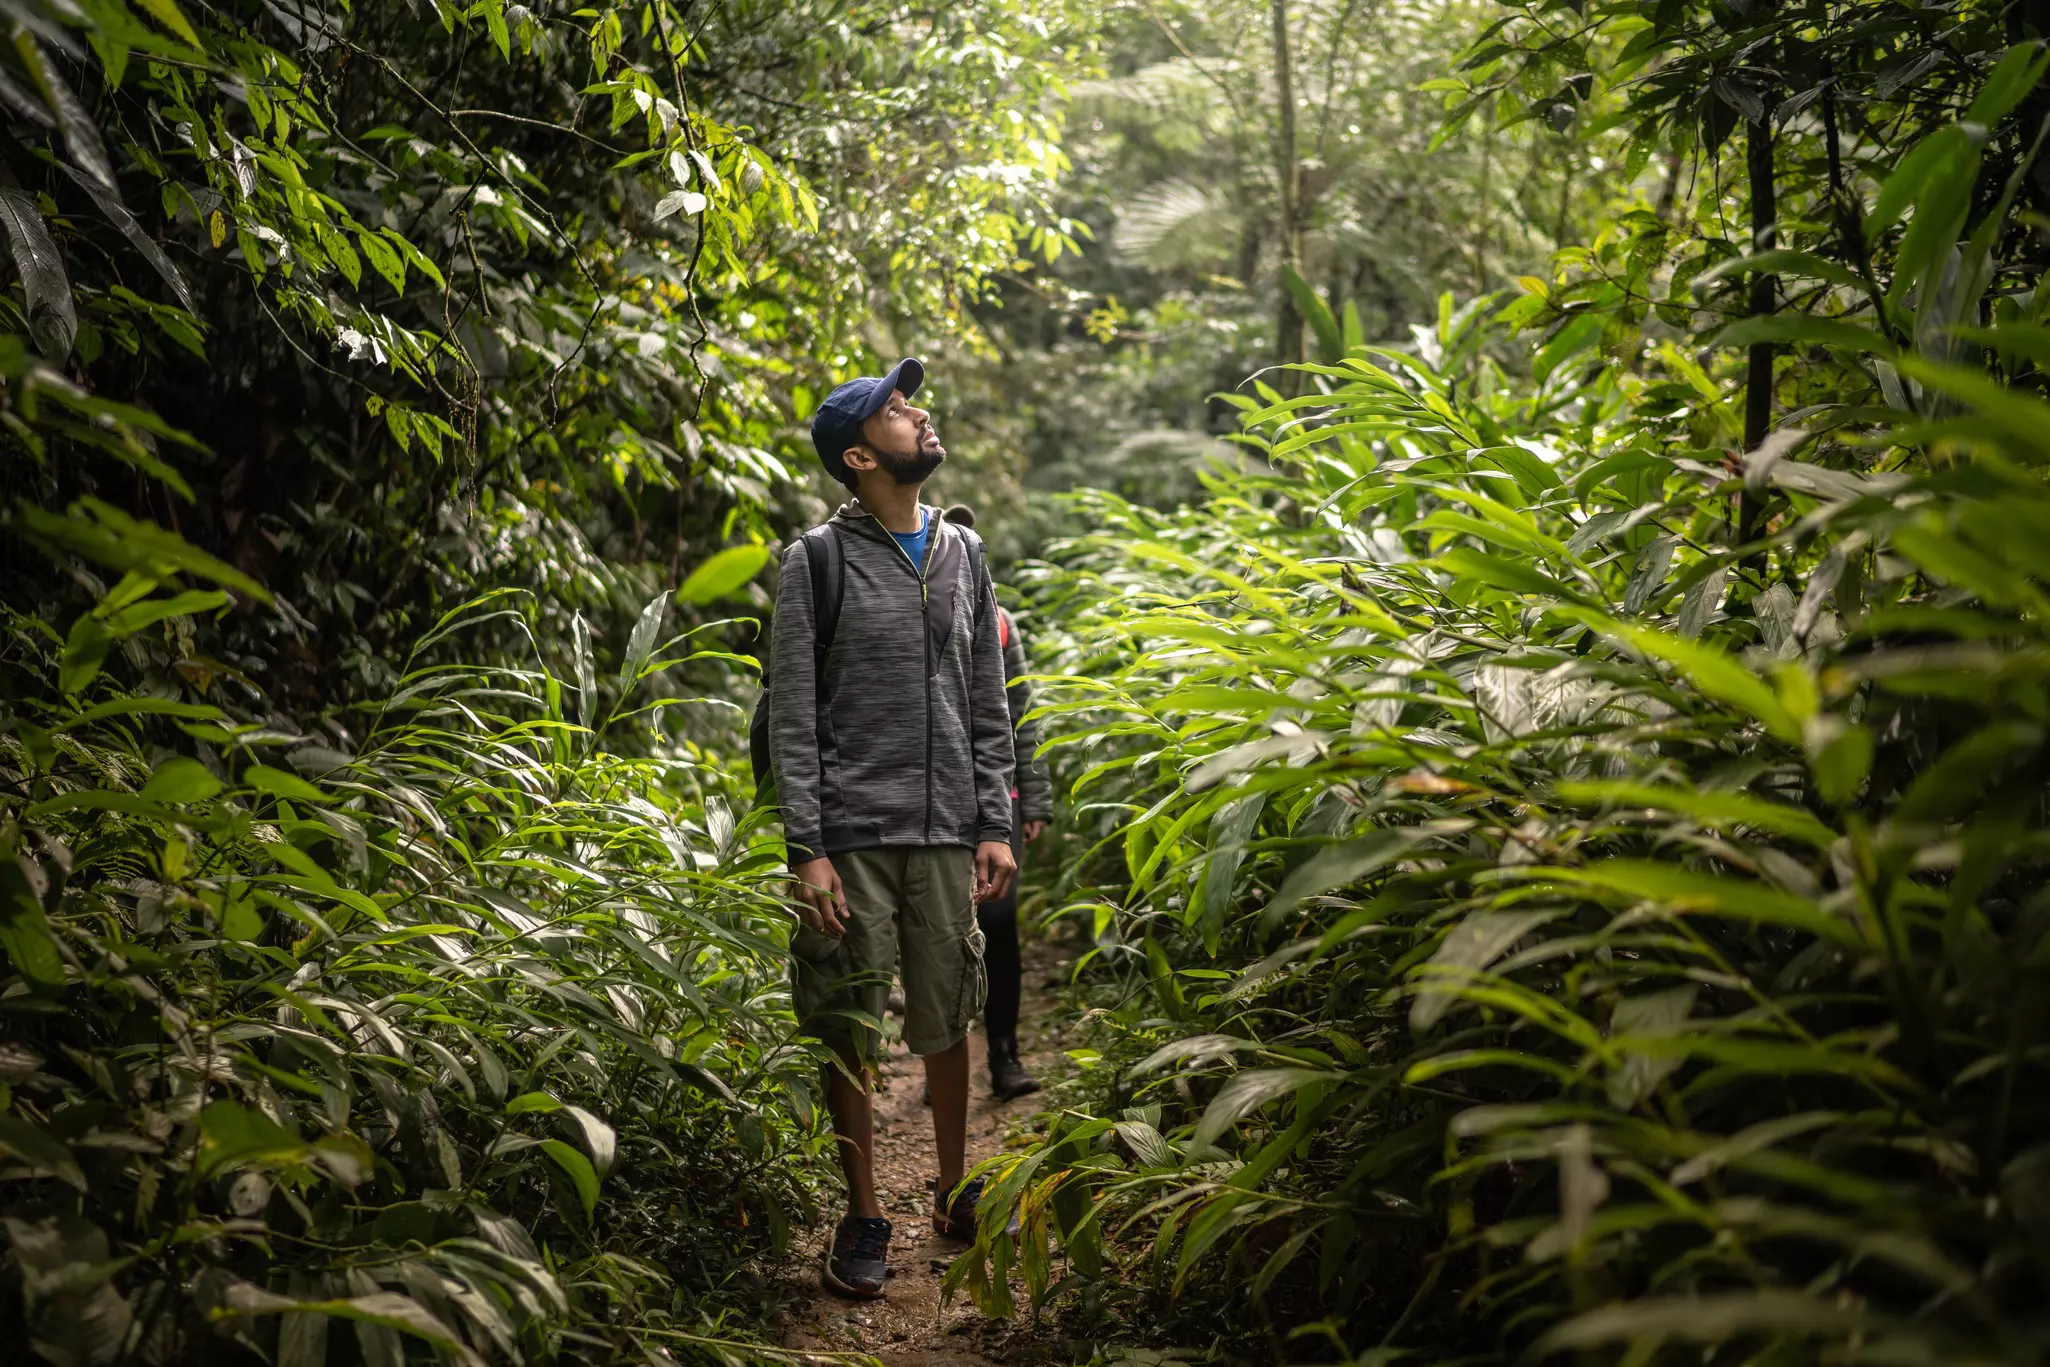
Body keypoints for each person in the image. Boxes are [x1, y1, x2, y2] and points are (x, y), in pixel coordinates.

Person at [769, 356, 1018, 1301]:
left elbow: (986, 698)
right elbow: (795, 714)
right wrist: (809, 849)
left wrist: (992, 820)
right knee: (849, 1024)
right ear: (860, 455)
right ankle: (864, 1210)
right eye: (896, 411)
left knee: (948, 1012)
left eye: (911, 402)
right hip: (854, 836)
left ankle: (953, 1188)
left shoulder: (964, 552)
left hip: (948, 828)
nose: (917, 415)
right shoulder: (815, 562)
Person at [940, 503, 1051, 1101]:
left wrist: (1033, 797)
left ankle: (1004, 1054)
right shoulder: (917, 611)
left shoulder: (1001, 623)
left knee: (999, 925)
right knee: (940, 929)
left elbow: (1021, 714)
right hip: (930, 801)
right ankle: (946, 1052)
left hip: (995, 798)